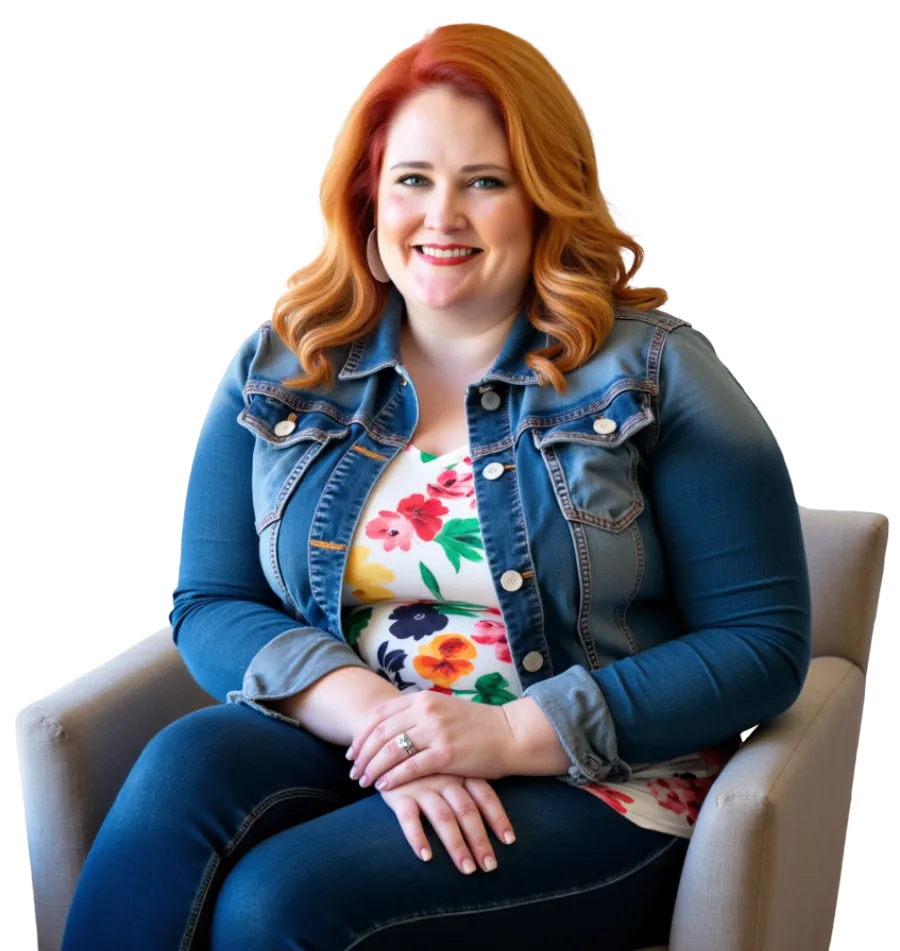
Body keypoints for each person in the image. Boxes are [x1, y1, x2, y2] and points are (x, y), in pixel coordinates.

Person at [60, 21, 811, 951]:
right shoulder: (286, 365)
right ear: (369, 198)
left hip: (594, 778)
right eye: (414, 179)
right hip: (356, 733)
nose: (442, 216)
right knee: (185, 764)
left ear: (543, 198)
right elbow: (214, 600)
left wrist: (504, 737)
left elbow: (762, 646)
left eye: (484, 182)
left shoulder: (658, 374)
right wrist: (390, 723)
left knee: (278, 903)